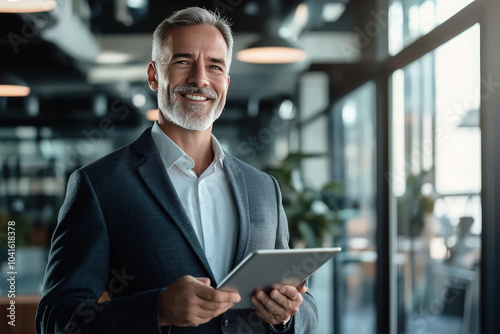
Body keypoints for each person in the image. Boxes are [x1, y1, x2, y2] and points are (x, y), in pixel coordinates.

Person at [35, 7, 318, 334]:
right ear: (154, 75)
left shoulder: (264, 188)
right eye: (183, 62)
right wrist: (158, 310)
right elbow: (56, 319)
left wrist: (287, 315)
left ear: (225, 82)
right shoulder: (100, 186)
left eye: (214, 66)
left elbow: (305, 303)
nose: (200, 79)